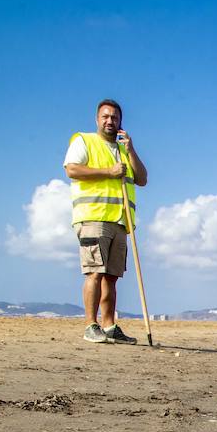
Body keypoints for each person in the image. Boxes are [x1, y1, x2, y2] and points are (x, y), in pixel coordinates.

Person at [63, 98, 149, 344]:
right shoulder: (84, 141)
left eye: (114, 117)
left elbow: (142, 179)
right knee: (94, 272)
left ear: (121, 122)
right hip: (93, 217)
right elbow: (72, 170)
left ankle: (109, 325)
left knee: (112, 276)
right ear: (97, 119)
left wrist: (130, 149)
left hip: (120, 221)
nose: (110, 121)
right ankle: (91, 325)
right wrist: (109, 171)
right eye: (105, 116)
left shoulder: (124, 150)